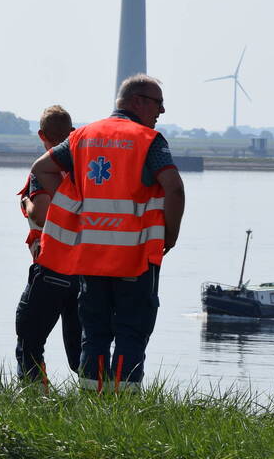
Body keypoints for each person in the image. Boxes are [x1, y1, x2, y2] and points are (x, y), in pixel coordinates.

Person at [32, 74, 185, 392]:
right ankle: (125, 406)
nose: (162, 111)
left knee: (94, 331)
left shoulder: (82, 136)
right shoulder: (147, 140)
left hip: (91, 256)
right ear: (138, 101)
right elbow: (174, 188)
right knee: (132, 329)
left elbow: (41, 168)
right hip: (135, 257)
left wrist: (73, 204)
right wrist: (170, 236)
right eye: (158, 103)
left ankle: (91, 401)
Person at [15, 105, 81, 383]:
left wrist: (26, 203)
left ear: (42, 134)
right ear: (73, 132)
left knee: (29, 340)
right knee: (82, 350)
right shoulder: (84, 174)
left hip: (51, 267)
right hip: (83, 271)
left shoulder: (42, 170)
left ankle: (34, 398)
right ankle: (99, 402)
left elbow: (41, 212)